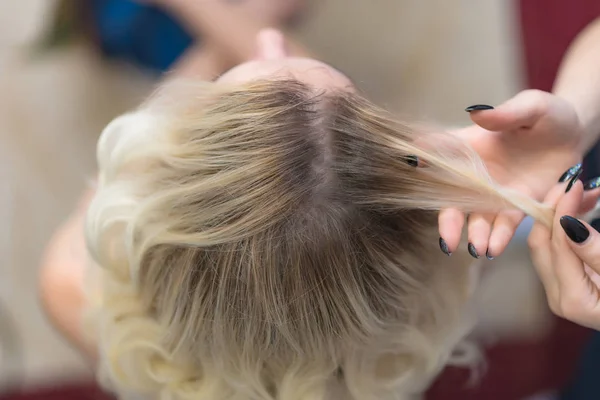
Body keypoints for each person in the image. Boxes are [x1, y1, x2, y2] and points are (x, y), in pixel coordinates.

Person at [39, 28, 564, 400]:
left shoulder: (68, 284)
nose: (269, 38)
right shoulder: (442, 257)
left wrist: (216, 27)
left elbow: (170, 115)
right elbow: (317, 117)